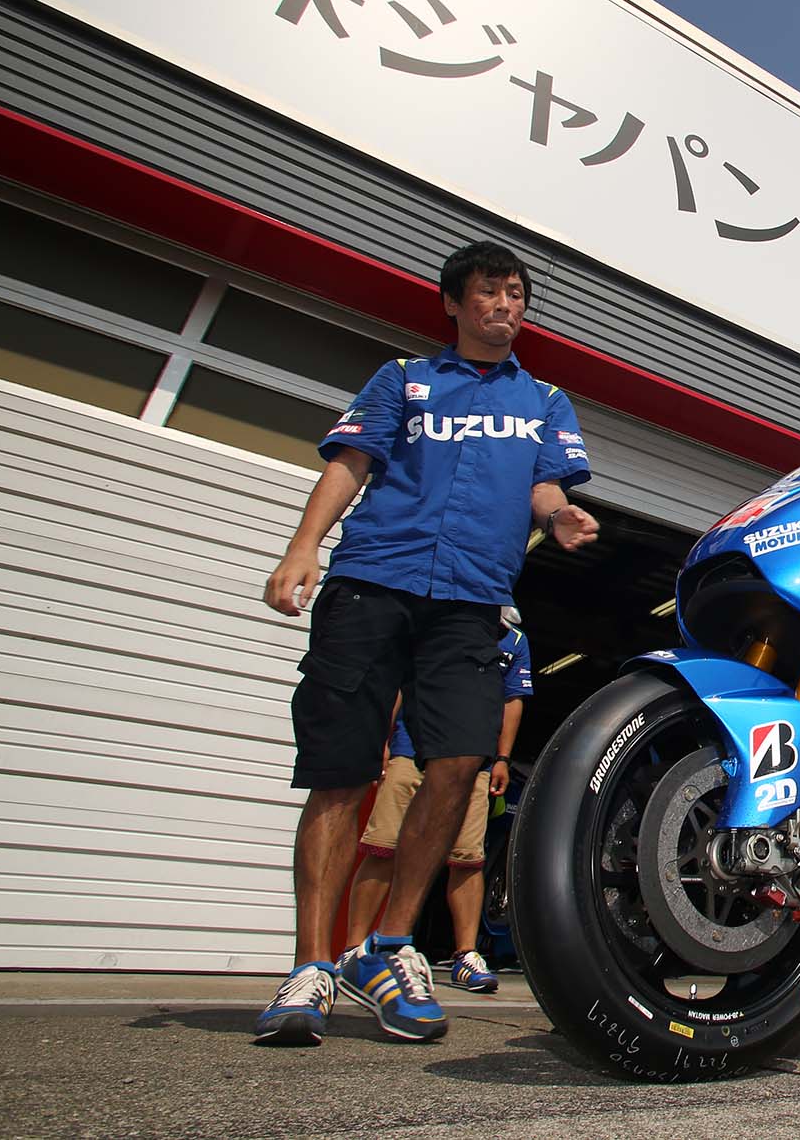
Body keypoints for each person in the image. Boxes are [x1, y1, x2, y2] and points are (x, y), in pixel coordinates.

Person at [254, 240, 599, 1047]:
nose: (505, 305)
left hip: (472, 602)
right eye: (488, 291)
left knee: (456, 765)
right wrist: (302, 546)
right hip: (373, 582)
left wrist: (558, 516)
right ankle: (309, 967)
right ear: (453, 302)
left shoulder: (545, 399)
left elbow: (546, 483)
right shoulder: (403, 378)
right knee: (341, 771)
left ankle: (387, 947)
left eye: (516, 293)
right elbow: (351, 463)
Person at [344, 608, 533, 995]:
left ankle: (466, 954)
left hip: (473, 761)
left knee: (468, 857)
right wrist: (382, 739)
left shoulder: (514, 639)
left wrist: (502, 758)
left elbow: (512, 699)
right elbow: (401, 680)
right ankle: (353, 951)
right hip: (411, 750)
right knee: (383, 847)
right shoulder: (435, 613)